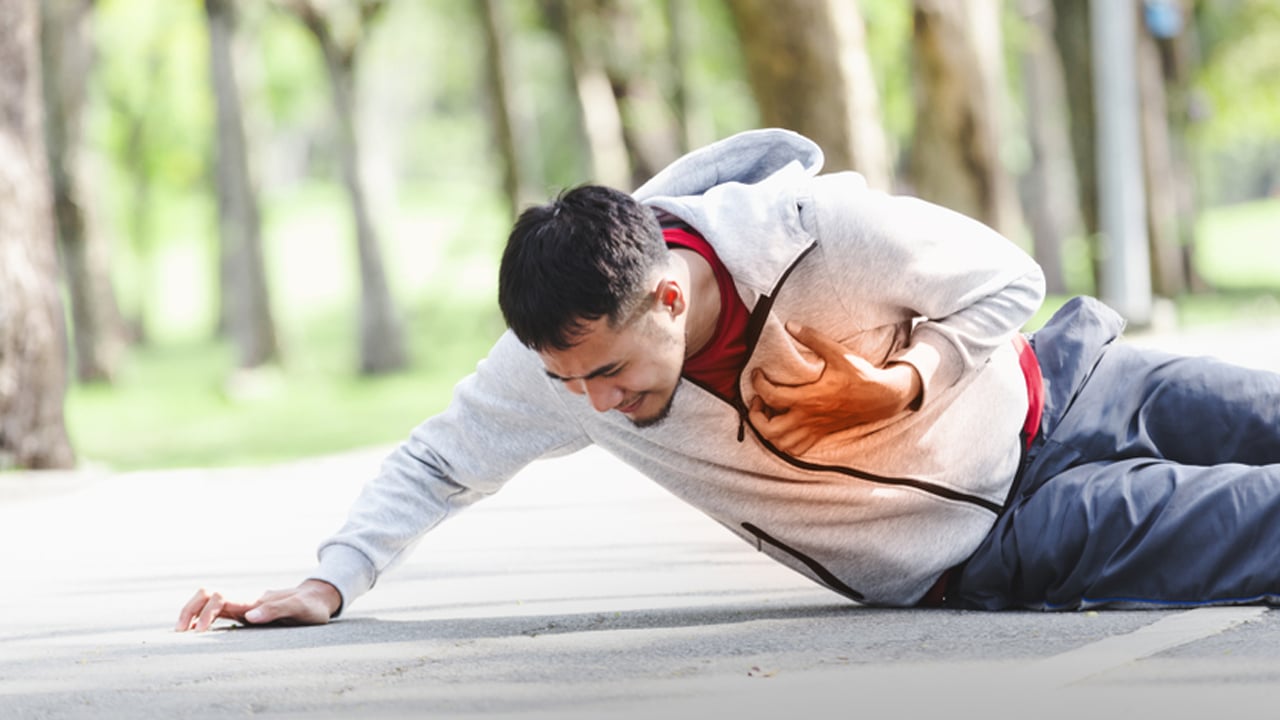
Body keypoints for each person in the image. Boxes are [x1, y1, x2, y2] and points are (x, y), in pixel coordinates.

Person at [177, 128, 1280, 632]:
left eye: (606, 372)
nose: (593, 405)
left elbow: (1007, 278)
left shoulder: (817, 233)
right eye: (569, 386)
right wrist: (327, 581)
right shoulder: (560, 365)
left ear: (665, 295)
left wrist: (904, 384)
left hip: (1071, 382)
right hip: (996, 539)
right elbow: (436, 462)